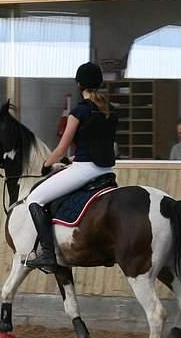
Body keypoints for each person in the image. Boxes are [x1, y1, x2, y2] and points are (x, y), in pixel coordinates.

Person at [25, 62, 117, 273]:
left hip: (84, 171)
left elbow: (60, 148)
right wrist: (72, 160)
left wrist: (47, 165)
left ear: (78, 84)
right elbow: (98, 144)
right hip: (106, 171)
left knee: (34, 199)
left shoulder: (79, 112)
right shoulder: (111, 111)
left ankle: (48, 254)